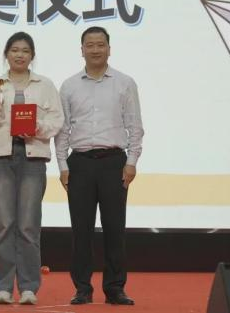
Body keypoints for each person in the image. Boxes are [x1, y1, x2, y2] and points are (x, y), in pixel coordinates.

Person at [55, 26, 144, 305]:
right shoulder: (69, 86)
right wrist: (63, 166)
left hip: (114, 163)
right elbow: (63, 130)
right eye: (90, 45)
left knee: (115, 228)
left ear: (109, 48)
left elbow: (135, 126)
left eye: (100, 44)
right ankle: (82, 288)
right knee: (80, 230)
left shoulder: (125, 83)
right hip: (79, 163)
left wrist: (131, 162)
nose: (95, 49)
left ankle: (115, 288)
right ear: (81, 50)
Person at [0, 32, 64, 305]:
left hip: (33, 158)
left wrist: (35, 128)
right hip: (0, 158)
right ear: (6, 54)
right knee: (3, 224)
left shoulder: (45, 85)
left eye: (25, 51)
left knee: (28, 225)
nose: (19, 55)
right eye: (14, 50)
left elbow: (57, 121)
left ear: (32, 56)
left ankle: (28, 287)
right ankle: (3, 287)